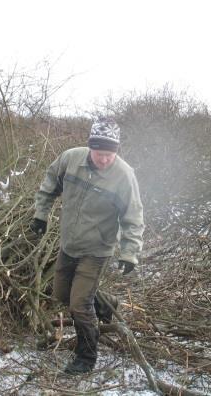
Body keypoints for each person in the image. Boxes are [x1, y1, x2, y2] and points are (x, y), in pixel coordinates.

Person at [31, 118, 144, 374]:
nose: (104, 159)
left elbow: (133, 217)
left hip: (97, 250)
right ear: (89, 147)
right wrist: (41, 214)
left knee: (79, 306)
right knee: (62, 295)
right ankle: (106, 303)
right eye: (100, 153)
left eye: (110, 154)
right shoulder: (71, 159)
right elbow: (50, 183)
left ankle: (86, 357)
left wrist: (129, 252)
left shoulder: (124, 176)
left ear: (116, 151)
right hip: (69, 243)